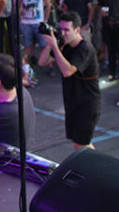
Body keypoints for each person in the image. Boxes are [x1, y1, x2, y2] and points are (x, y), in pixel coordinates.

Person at [38, 11, 101, 150]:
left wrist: (55, 47)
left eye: (67, 30)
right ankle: (92, 163)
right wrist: (50, 44)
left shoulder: (85, 48)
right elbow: (42, 62)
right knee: (79, 144)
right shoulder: (65, 45)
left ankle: (94, 164)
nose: (63, 33)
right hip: (73, 101)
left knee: (81, 145)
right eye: (61, 29)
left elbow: (68, 71)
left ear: (77, 30)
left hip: (87, 103)